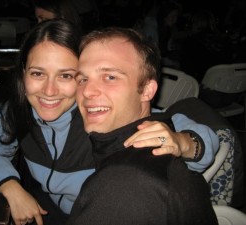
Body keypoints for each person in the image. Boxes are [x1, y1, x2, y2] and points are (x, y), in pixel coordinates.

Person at [0, 19, 218, 225]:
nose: (49, 91)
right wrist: (11, 187)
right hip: (49, 207)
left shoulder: (99, 116)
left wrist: (183, 142)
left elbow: (191, 131)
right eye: (38, 73)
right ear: (23, 76)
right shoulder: (18, 110)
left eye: (66, 75)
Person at [67, 26, 218, 225]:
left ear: (147, 90)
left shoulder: (123, 183)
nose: (87, 91)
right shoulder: (128, 137)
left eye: (110, 77)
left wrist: (183, 142)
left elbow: (207, 139)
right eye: (83, 79)